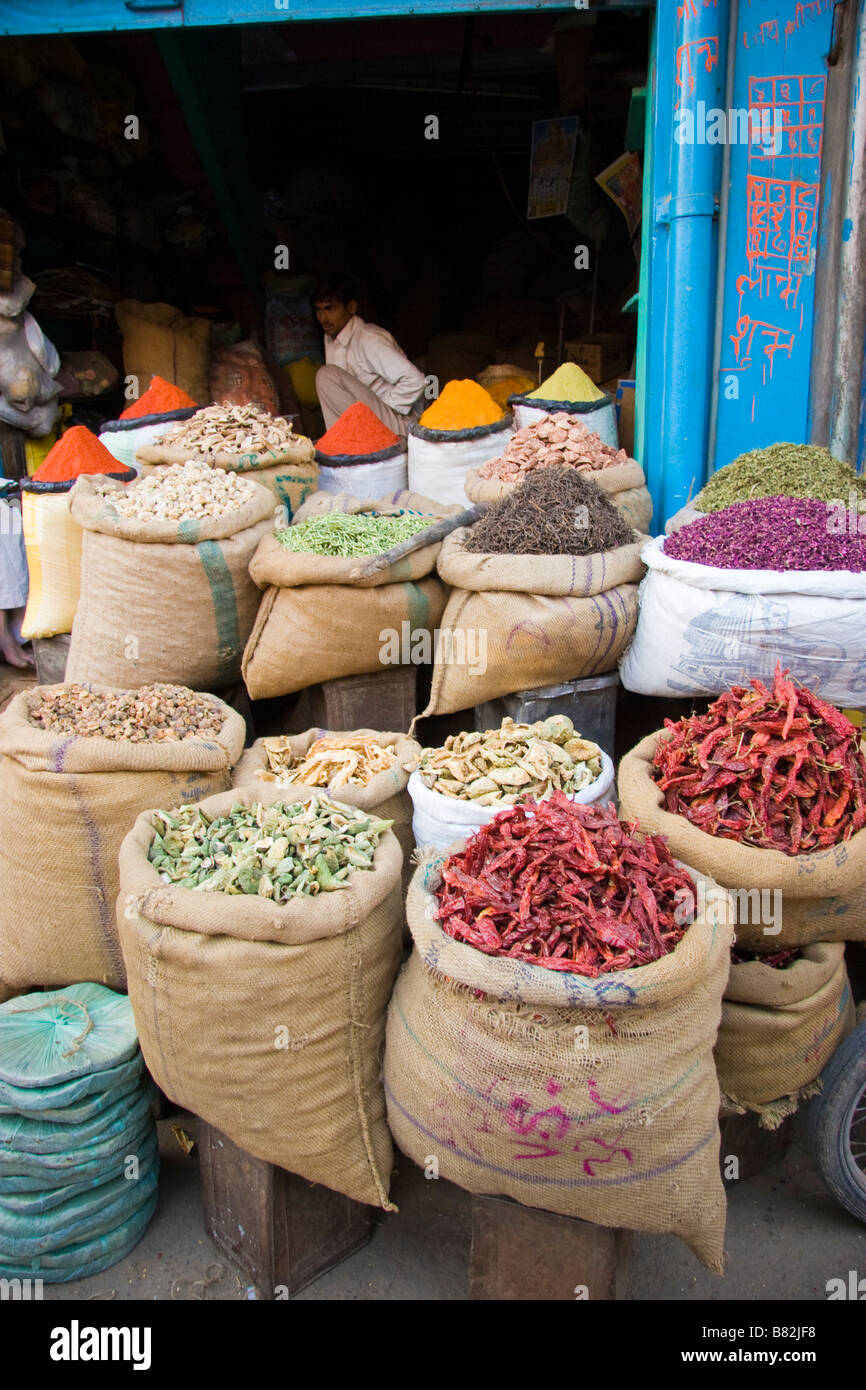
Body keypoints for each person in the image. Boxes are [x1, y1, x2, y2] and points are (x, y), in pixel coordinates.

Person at [312, 275, 426, 436]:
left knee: (325, 375)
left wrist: (383, 407)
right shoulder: (331, 339)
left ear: (351, 307)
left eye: (331, 309)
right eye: (319, 310)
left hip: (399, 424)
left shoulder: (368, 338)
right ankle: (344, 446)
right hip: (374, 423)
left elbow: (415, 380)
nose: (323, 318)